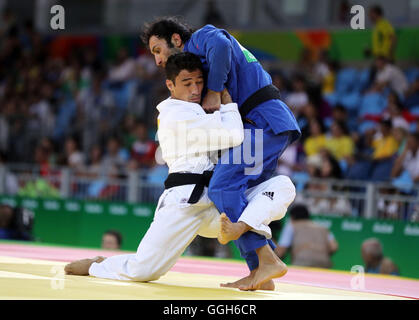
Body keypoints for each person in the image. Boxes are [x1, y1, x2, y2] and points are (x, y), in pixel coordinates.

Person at [65, 53, 296, 291]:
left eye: (199, 82)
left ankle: (251, 245)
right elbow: (234, 135)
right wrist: (228, 105)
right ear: (170, 85)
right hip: (185, 201)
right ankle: (99, 265)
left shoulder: (206, 109)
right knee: (142, 270)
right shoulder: (174, 113)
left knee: (283, 186)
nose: (195, 89)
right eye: (187, 84)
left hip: (221, 208)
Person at [141, 17, 301, 290]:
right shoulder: (200, 59)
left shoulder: (203, 37)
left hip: (262, 123)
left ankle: (266, 259)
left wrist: (214, 92)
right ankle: (260, 271)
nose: (157, 60)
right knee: (236, 194)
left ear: (176, 40)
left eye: (158, 50)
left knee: (224, 186)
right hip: (264, 124)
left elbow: (221, 44)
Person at [274, 204, 338, 268]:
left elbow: (280, 251)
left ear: (292, 217)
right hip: (324, 264)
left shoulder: (291, 226)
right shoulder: (322, 228)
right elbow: (334, 247)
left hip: (301, 264)